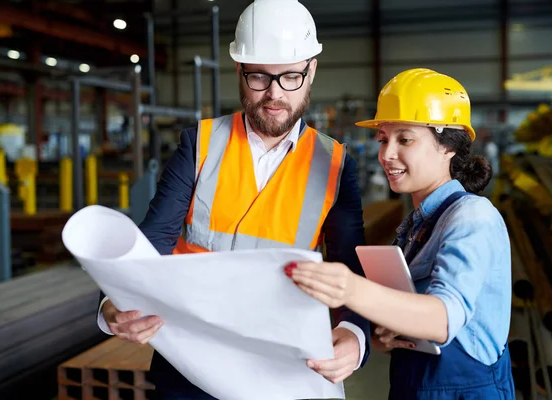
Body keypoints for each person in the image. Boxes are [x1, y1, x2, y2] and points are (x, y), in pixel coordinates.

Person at [96, 0, 371, 398]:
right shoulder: (200, 145)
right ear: (239, 72)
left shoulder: (335, 164)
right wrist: (111, 304)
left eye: (291, 77)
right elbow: (150, 243)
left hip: (283, 367)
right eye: (259, 77)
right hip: (189, 367)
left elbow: (351, 267)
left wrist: (353, 335)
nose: (274, 95)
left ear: (312, 70)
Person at [287, 68, 515, 399]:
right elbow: (401, 329)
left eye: (404, 139)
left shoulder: (472, 217)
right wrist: (382, 336)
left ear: (447, 146)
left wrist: (350, 288)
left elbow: (442, 320)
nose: (386, 154)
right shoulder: (415, 227)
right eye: (383, 139)